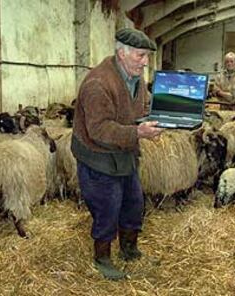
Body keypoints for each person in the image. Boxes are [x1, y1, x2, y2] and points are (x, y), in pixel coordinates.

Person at [71, 28, 162, 280]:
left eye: (147, 57)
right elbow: (99, 129)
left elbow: (142, 106)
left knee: (134, 204)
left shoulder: (136, 80)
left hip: (124, 154)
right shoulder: (98, 83)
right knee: (107, 208)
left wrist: (157, 118)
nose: (145, 63)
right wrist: (138, 133)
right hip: (97, 157)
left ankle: (129, 250)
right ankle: (102, 259)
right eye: (141, 56)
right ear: (122, 53)